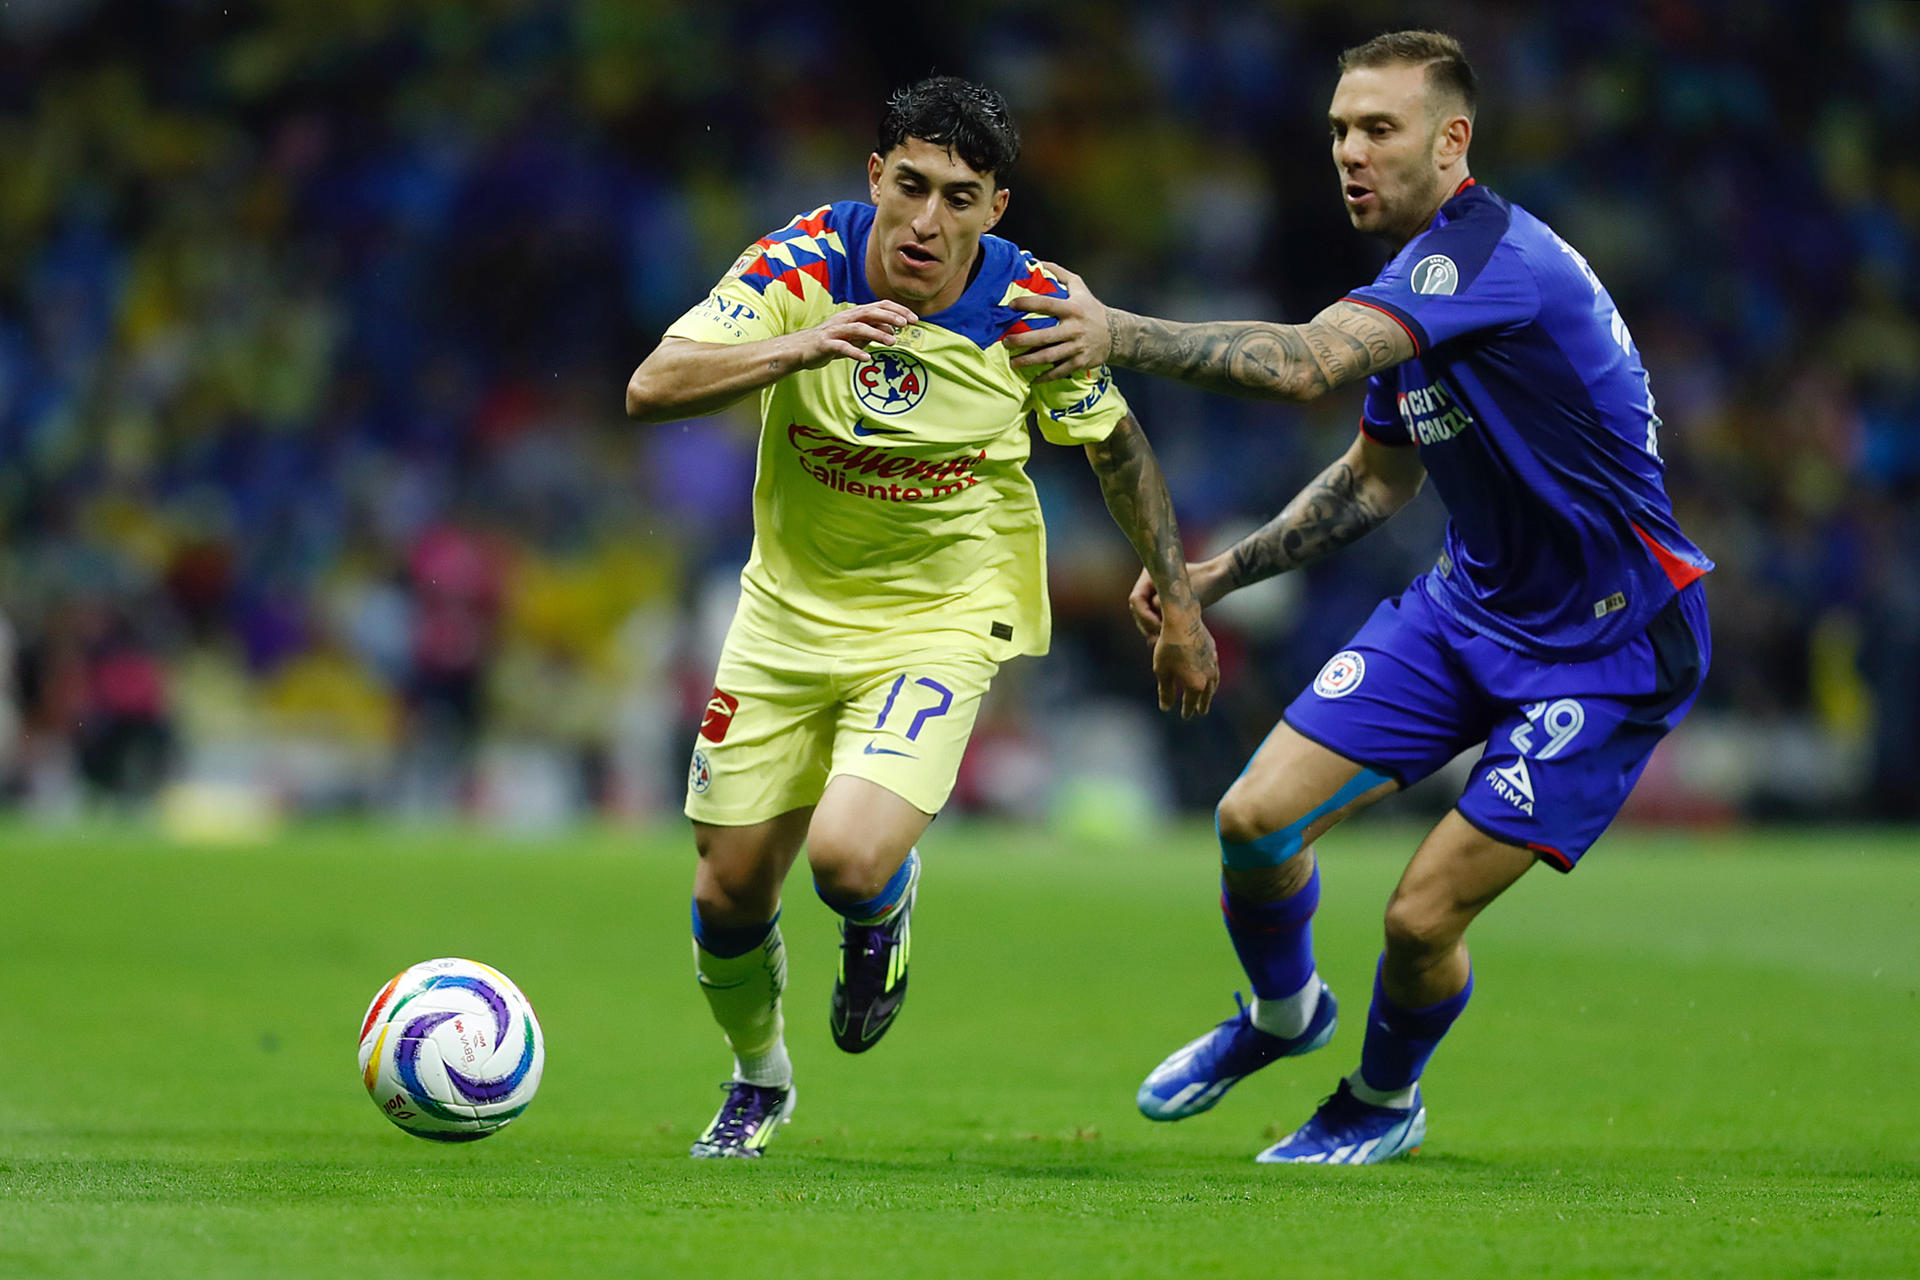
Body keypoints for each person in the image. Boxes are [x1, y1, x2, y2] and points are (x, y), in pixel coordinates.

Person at [1005, 29, 1712, 1164]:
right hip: (1470, 607)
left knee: (1419, 917)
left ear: (1452, 139)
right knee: (1251, 819)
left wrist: (1116, 333)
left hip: (1609, 646)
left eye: (1378, 129)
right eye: (1339, 129)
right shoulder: (1417, 286)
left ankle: (1382, 1101)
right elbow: (1379, 478)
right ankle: (1284, 1014)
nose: (1350, 151)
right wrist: (1218, 572)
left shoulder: (1487, 261)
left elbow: (1302, 366)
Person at [625, 76, 1218, 1160]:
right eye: (909, 186)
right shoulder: (799, 264)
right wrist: (797, 348)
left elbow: (1117, 448)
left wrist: (1179, 604)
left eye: (958, 196)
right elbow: (653, 384)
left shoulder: (1032, 306)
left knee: (844, 859)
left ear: (996, 208)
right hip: (786, 612)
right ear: (874, 178)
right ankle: (758, 1075)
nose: (926, 220)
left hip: (944, 610)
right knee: (728, 884)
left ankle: (881, 907)